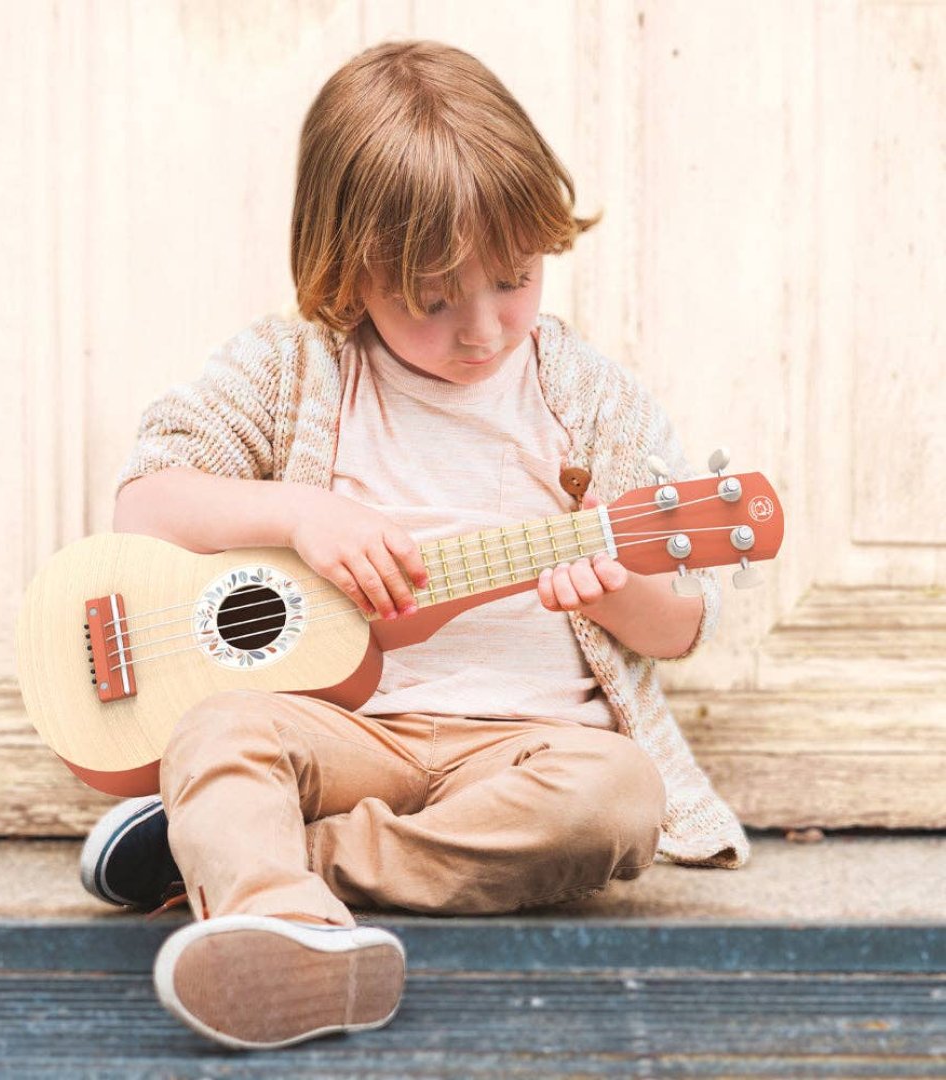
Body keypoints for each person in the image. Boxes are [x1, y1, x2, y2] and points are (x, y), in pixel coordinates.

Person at [80, 38, 751, 1053]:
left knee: (619, 798)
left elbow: (683, 621)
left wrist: (612, 595)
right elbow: (148, 506)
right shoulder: (291, 370)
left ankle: (278, 878)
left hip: (520, 748)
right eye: (433, 300)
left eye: (514, 280)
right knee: (217, 729)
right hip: (345, 738)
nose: (482, 327)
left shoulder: (591, 403)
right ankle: (284, 923)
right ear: (347, 272)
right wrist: (298, 516)